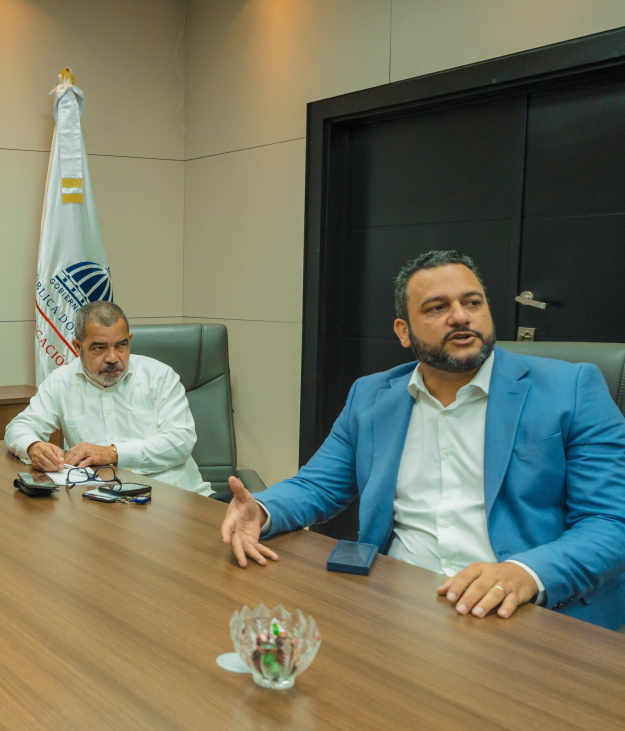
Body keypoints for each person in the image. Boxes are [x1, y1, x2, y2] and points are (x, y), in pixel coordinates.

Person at [220, 250, 625, 629]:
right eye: (437, 308)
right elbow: (319, 485)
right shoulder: (372, 395)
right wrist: (264, 509)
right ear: (404, 331)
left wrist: (527, 573)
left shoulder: (571, 388)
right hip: (396, 605)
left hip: (523, 613)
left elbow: (610, 522)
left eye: (473, 303)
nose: (460, 317)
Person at [4, 301, 211, 494]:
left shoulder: (159, 376)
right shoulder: (61, 381)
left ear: (129, 340)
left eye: (121, 345)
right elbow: (19, 427)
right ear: (77, 347)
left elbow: (181, 441)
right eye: (99, 348)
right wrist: (34, 447)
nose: (113, 358)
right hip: (105, 502)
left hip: (176, 497)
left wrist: (113, 453)